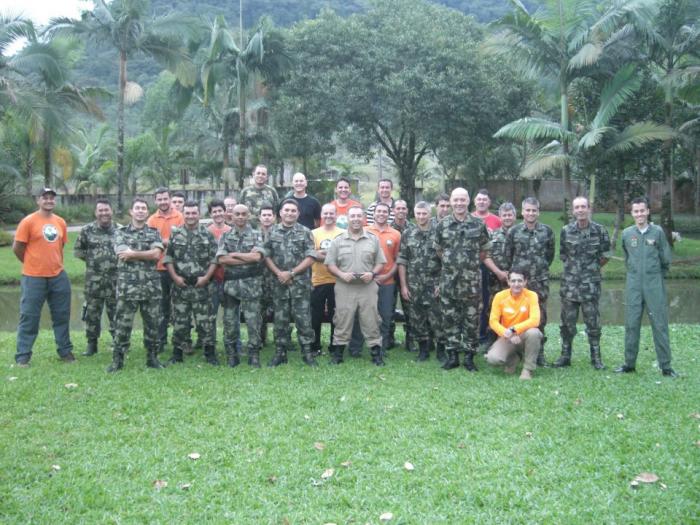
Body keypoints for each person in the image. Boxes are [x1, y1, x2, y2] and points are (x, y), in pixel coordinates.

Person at [434, 188, 506, 371]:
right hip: (449, 282)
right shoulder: (443, 225)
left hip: (471, 283)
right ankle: (452, 356)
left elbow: (484, 250)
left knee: (471, 320)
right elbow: (439, 250)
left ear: (468, 201)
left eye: (462, 200)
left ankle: (468, 357)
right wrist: (453, 264)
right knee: (449, 318)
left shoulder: (478, 224)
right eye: (456, 200)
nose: (459, 203)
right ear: (451, 202)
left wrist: (469, 264)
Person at [614, 197, 677, 378]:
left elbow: (666, 259)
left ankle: (666, 366)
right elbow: (627, 257)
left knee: (659, 324)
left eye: (642, 210)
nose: (639, 214)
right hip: (633, 284)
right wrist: (635, 274)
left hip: (654, 284)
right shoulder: (627, 234)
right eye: (636, 211)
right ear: (632, 213)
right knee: (631, 324)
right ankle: (629, 364)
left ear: (648, 211)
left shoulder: (657, 232)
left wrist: (656, 276)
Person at [13, 187, 75, 366]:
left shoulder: (60, 222)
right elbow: (17, 248)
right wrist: (31, 263)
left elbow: (59, 247)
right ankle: (23, 356)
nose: (49, 200)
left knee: (62, 315)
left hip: (58, 276)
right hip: (33, 277)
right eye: (45, 197)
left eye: (51, 198)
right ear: (38, 200)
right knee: (29, 316)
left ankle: (65, 351)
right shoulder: (28, 222)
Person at [326, 205, 387, 366]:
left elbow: (380, 262)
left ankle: (376, 354)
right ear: (347, 218)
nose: (356, 219)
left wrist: (372, 274)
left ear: (364, 218)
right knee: (342, 318)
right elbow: (330, 264)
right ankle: (338, 354)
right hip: (344, 286)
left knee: (371, 318)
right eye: (352, 216)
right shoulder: (338, 240)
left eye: (359, 216)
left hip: (367, 286)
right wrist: (341, 274)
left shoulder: (372, 239)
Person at [108, 198, 164, 372]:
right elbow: (121, 254)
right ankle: (118, 360)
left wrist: (133, 254)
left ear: (147, 212)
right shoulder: (121, 232)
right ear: (131, 212)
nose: (140, 211)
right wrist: (141, 253)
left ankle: (152, 358)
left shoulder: (154, 232)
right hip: (128, 288)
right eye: (137, 208)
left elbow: (156, 255)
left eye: (144, 208)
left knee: (153, 324)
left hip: (150, 287)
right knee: (122, 325)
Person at [555, 196, 611, 369]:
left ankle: (596, 358)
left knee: (593, 323)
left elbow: (605, 255)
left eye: (583, 207)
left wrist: (591, 269)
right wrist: (575, 270)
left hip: (590, 286)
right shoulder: (566, 230)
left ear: (589, 208)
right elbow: (563, 254)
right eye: (577, 207)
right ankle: (565, 356)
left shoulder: (600, 230)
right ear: (573, 210)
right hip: (570, 286)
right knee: (567, 323)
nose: (580, 210)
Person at [264, 199, 318, 366]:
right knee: (280, 320)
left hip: (300, 285)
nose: (289, 213)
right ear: (280, 213)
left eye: (293, 211)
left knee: (304, 320)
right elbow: (266, 255)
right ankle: (280, 353)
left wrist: (292, 273)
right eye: (286, 210)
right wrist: (279, 273)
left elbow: (311, 257)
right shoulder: (271, 232)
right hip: (279, 284)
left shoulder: (306, 232)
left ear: (298, 213)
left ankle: (307, 353)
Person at [164, 201, 219, 366]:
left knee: (206, 322)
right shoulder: (176, 234)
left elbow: (215, 259)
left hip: (202, 286)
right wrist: (175, 277)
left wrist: (206, 278)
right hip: (181, 286)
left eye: (194, 213)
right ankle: (177, 354)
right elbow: (168, 258)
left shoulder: (207, 234)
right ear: (183, 213)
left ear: (199, 214)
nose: (190, 216)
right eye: (187, 213)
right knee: (180, 321)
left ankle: (210, 354)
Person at [504, 197, 555, 367]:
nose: (531, 213)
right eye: (528, 210)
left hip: (539, 282)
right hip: (519, 284)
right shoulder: (514, 232)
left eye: (534, 210)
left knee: (540, 318)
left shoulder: (547, 232)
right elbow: (508, 256)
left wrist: (538, 269)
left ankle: (538, 354)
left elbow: (550, 256)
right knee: (516, 316)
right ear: (522, 212)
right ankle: (515, 352)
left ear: (538, 212)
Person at [217, 204, 266, 367]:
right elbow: (222, 259)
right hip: (231, 285)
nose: (240, 217)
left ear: (249, 215)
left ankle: (254, 354)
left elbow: (257, 257)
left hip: (252, 284)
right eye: (237, 214)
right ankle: (232, 354)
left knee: (253, 322)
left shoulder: (257, 235)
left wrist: (236, 254)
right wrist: (247, 256)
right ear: (231, 216)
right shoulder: (225, 236)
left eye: (243, 214)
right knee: (230, 321)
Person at [349, 202, 401, 355]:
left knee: (385, 316)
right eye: (378, 211)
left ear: (389, 214)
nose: (381, 214)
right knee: (360, 315)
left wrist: (387, 276)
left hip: (387, 281)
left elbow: (398, 260)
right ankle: (355, 347)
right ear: (373, 213)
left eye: (385, 211)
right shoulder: (364, 231)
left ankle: (381, 348)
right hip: (365, 281)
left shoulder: (396, 234)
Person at [398, 201, 442, 362]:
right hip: (414, 284)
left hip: (434, 283)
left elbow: (445, 260)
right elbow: (402, 260)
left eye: (424, 213)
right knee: (417, 318)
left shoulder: (439, 232)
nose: (421, 216)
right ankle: (423, 350)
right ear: (414, 214)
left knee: (438, 318)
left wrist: (441, 283)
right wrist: (403, 285)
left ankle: (441, 351)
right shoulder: (408, 234)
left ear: (430, 214)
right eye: (418, 213)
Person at [74, 199, 118, 356]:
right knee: (92, 314)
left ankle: (118, 342)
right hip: (94, 281)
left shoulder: (120, 230)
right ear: (96, 213)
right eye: (100, 210)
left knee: (116, 313)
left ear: (111, 211)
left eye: (106, 210)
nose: (104, 213)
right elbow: (78, 251)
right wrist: (93, 261)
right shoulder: (87, 230)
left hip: (115, 281)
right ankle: (92, 345)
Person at [485, 269, 542, 380]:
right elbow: (493, 321)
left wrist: (514, 329)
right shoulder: (499, 296)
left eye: (520, 281)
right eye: (513, 281)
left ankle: (527, 370)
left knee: (534, 333)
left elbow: (535, 320)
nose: (516, 284)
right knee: (493, 359)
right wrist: (508, 334)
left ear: (525, 282)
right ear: (508, 282)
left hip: (525, 335)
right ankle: (513, 359)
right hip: (506, 336)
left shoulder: (532, 295)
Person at [147, 187, 184, 353]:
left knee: (180, 306)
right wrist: (169, 241)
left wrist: (162, 242)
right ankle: (160, 341)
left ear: (170, 199)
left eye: (165, 198)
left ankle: (182, 341)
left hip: (178, 268)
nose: (163, 202)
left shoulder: (180, 217)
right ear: (155, 201)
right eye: (159, 199)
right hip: (159, 269)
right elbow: (149, 241)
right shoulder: (151, 220)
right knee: (161, 308)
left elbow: (183, 240)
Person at [310, 204, 344, 356]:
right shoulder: (313, 233)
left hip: (338, 281)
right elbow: (311, 255)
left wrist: (322, 253)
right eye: (326, 213)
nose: (329, 216)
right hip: (317, 280)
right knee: (315, 315)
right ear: (321, 215)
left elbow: (343, 256)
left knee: (335, 316)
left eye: (332, 213)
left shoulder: (343, 233)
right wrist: (331, 255)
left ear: (336, 215)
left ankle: (334, 345)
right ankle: (315, 345)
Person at [471, 189, 503, 347]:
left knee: (489, 302)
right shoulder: (469, 219)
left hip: (493, 268)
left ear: (489, 202)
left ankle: (486, 335)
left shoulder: (497, 220)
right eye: (479, 199)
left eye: (485, 199)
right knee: (475, 303)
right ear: (474, 201)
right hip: (474, 267)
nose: (482, 202)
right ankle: (474, 335)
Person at [206, 199, 232, 345]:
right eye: (214, 211)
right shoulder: (206, 232)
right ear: (210, 214)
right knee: (211, 315)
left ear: (225, 212)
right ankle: (210, 344)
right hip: (212, 280)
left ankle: (233, 344)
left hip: (229, 278)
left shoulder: (231, 231)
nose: (218, 214)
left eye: (220, 211)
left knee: (230, 315)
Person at [389, 199, 412, 350]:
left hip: (409, 274)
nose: (401, 211)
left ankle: (410, 340)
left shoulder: (413, 228)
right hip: (389, 274)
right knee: (389, 308)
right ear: (393, 211)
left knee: (409, 308)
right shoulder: (388, 228)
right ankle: (389, 339)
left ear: (407, 210)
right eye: (398, 208)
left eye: (404, 208)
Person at [258, 204, 277, 345]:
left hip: (276, 277)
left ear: (274, 217)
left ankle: (282, 339)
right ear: (259, 217)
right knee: (260, 309)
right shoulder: (253, 234)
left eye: (269, 215)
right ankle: (260, 338)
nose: (266, 217)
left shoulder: (279, 233)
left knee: (280, 309)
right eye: (264, 215)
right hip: (258, 278)